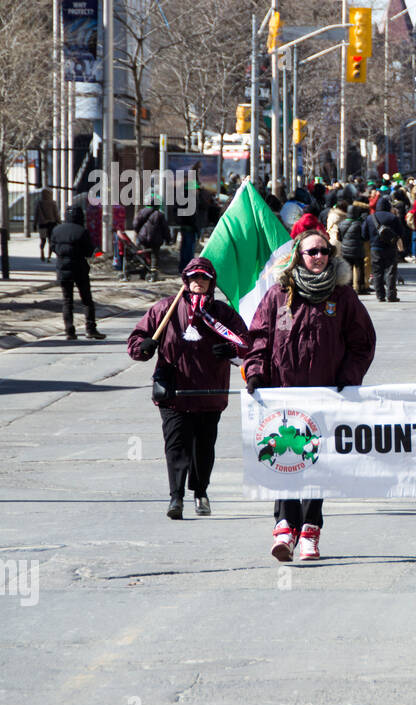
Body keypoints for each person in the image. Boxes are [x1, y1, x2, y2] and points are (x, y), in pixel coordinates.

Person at [245, 224, 376, 561]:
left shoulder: (343, 296)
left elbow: (363, 344)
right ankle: (285, 528)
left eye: (323, 252)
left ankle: (310, 531)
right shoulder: (279, 294)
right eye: (311, 252)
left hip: (325, 396)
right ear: (299, 258)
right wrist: (257, 372)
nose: (318, 257)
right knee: (286, 460)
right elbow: (259, 338)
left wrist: (348, 376)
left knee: (316, 465)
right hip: (283, 396)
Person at [127, 258, 249, 519]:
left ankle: (201, 492)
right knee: (176, 445)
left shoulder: (223, 314)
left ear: (211, 282)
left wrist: (232, 349)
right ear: (186, 280)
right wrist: (144, 347)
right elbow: (136, 341)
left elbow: (248, 343)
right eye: (194, 277)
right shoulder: (165, 309)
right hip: (174, 393)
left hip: (209, 393)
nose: (198, 282)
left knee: (204, 447)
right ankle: (176, 497)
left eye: (204, 278)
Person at [49, 203, 105, 341]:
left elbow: (53, 247)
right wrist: (98, 254)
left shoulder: (56, 230)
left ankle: (69, 331)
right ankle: (90, 329)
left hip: (63, 269)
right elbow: (89, 251)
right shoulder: (82, 231)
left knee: (67, 301)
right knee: (86, 300)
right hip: (79, 268)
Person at [364, 195, 406, 302]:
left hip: (375, 248)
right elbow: (401, 232)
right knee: (391, 271)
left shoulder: (370, 218)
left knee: (377, 272)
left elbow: (364, 235)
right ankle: (391, 295)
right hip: (390, 248)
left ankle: (380, 295)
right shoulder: (392, 217)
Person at [35, 189, 61, 261]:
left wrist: (34, 224)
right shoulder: (52, 203)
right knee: (50, 241)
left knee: (43, 240)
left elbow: (36, 214)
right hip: (52, 224)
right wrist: (60, 222)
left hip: (42, 224)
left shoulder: (39, 203)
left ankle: (42, 252)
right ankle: (49, 257)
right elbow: (56, 214)